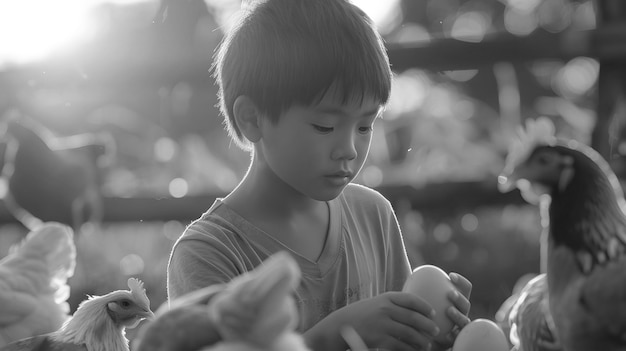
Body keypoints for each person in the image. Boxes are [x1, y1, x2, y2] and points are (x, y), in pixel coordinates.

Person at [167, 0, 472, 350]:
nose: (350, 149)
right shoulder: (209, 253)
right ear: (252, 118)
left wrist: (434, 332)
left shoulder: (374, 217)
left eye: (365, 126)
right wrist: (333, 336)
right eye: (325, 126)